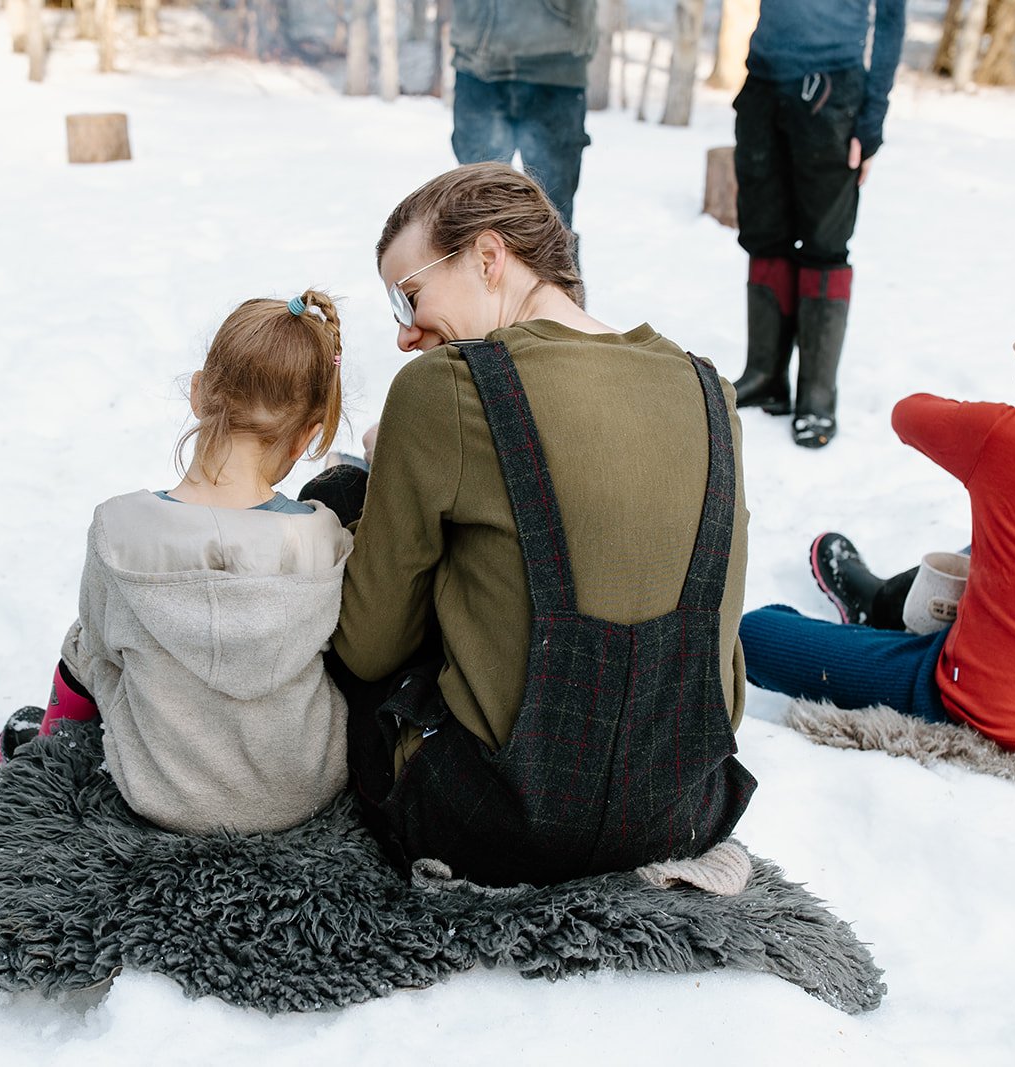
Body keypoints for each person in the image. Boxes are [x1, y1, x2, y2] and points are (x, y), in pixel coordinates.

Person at [311, 163, 755, 887]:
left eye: (409, 295)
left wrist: (384, 470)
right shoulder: (710, 389)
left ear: (490, 257)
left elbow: (366, 647)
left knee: (335, 492)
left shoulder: (443, 388)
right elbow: (724, 665)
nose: (403, 333)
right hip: (682, 811)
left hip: (492, 824)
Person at [741, 257, 1015, 750]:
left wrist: (1005, 424)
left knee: (757, 633)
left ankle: (880, 622)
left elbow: (908, 414)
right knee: (1004, 542)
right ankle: (890, 608)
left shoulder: (1008, 438)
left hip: (971, 697)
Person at [2, 290, 352, 836]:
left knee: (86, 638)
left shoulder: (118, 530)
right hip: (304, 789)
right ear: (310, 435)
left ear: (197, 392)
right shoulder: (322, 536)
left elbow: (100, 641)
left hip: (163, 793)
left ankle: (52, 751)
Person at [728, 0, 907, 448]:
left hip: (833, 92)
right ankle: (765, 375)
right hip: (764, 85)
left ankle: (817, 397)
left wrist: (872, 120)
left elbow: (890, 20)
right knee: (764, 235)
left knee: (825, 245)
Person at [448, 0, 596, 233]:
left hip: (556, 66)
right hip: (477, 63)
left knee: (554, 216)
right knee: (477, 208)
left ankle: (552, 268)